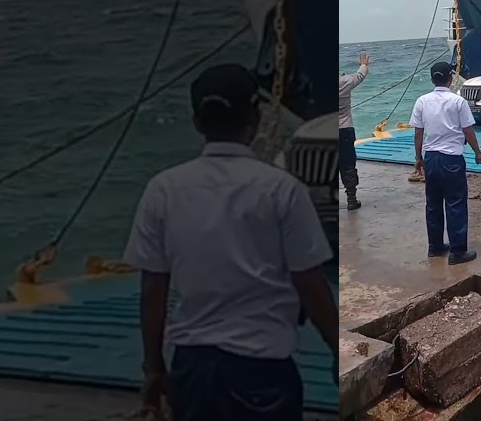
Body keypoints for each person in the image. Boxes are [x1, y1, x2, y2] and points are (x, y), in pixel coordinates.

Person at [125, 63, 337, 421]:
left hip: (192, 368)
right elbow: (310, 283)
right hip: (263, 369)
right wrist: (337, 348)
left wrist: (154, 368)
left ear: (196, 122)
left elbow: (153, 290)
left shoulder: (162, 190)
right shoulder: (282, 190)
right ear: (254, 119)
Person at [411, 62, 481, 265]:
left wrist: (419, 158)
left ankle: (435, 247)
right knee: (455, 203)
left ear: (432, 78)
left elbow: (418, 132)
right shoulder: (458, 101)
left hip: (431, 158)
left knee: (433, 204)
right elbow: (468, 131)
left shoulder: (421, 101)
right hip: (451, 158)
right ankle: (458, 252)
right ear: (450, 78)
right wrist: (478, 153)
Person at [338, 52, 370, 211]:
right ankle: (351, 198)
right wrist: (364, 64)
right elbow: (359, 76)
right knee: (348, 164)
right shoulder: (344, 81)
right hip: (344, 130)